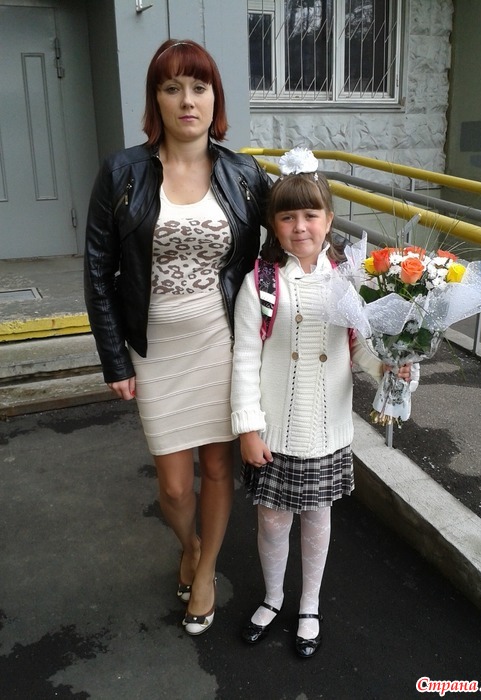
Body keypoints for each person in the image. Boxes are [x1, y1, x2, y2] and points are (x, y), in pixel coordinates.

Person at [84, 39, 271, 636]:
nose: (187, 100)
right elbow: (98, 269)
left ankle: (206, 568)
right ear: (156, 100)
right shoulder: (122, 171)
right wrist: (114, 359)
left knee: (217, 468)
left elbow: (283, 252)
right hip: (155, 346)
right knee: (172, 484)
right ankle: (187, 543)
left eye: (198, 87)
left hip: (221, 340)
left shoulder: (244, 174)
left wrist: (355, 303)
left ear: (215, 98)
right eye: (172, 88)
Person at [230, 148, 412, 657]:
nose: (300, 226)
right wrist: (248, 427)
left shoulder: (350, 279)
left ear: (329, 219)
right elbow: (244, 358)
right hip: (274, 430)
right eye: (287, 216)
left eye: (311, 214)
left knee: (317, 517)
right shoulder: (260, 282)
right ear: (274, 224)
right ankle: (273, 596)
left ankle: (308, 603)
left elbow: (360, 347)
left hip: (326, 429)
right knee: (272, 520)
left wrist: (391, 366)